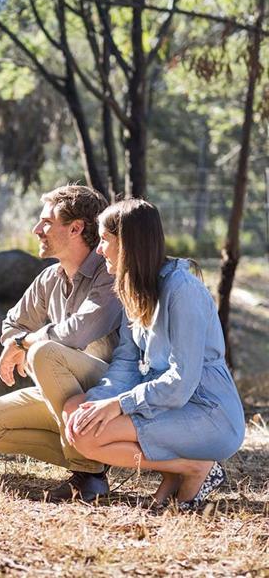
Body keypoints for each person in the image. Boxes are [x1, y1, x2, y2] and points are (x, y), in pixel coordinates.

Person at [63, 199, 245, 508]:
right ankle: (175, 473)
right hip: (166, 405)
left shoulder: (181, 290)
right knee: (75, 411)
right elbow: (126, 362)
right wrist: (99, 402)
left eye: (105, 240)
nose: (99, 249)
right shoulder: (133, 288)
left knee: (87, 438)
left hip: (208, 412)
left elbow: (182, 381)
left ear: (128, 243)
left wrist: (120, 405)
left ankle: (196, 467)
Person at [0, 185, 123, 501]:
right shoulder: (50, 278)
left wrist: (27, 345)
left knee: (45, 351)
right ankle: (99, 455)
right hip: (61, 395)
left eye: (46, 223)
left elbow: (79, 332)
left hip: (109, 393)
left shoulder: (108, 273)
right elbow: (13, 323)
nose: (37, 230)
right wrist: (18, 342)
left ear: (76, 228)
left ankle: (87, 476)